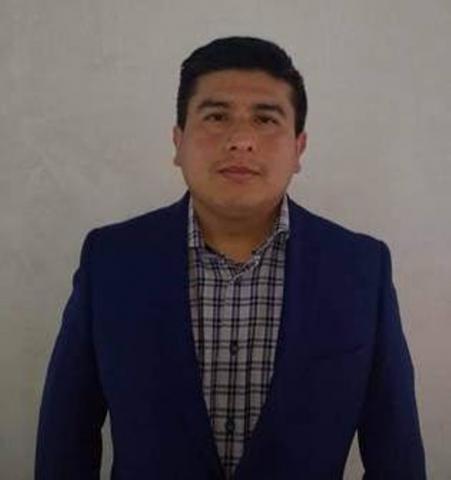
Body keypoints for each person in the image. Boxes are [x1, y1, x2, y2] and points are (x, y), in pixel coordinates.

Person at [35, 36, 426, 479]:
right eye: (217, 116)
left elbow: (396, 454)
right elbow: (65, 440)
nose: (241, 140)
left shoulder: (360, 269)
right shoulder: (111, 261)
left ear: (298, 148)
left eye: (265, 119)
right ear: (178, 141)